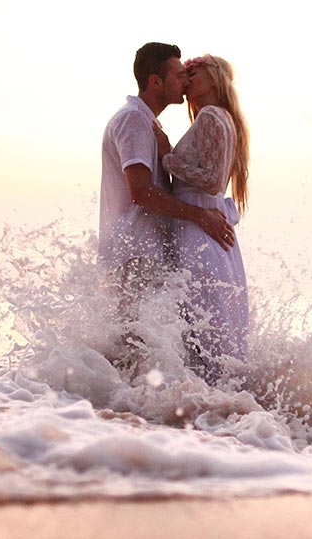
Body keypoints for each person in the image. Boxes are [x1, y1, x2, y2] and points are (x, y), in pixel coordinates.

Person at [98, 43, 235, 335]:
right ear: (155, 81)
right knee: (134, 345)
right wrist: (200, 215)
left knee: (152, 349)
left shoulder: (148, 123)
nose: (185, 81)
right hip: (136, 252)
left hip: (153, 251)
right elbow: (142, 192)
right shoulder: (133, 120)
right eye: (178, 75)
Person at [161, 54, 251, 379]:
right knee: (210, 329)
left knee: (202, 329)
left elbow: (212, 180)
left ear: (213, 79)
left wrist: (166, 158)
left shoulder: (212, 116)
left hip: (199, 231)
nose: (186, 80)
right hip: (203, 228)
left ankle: (207, 412)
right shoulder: (219, 117)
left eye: (193, 74)